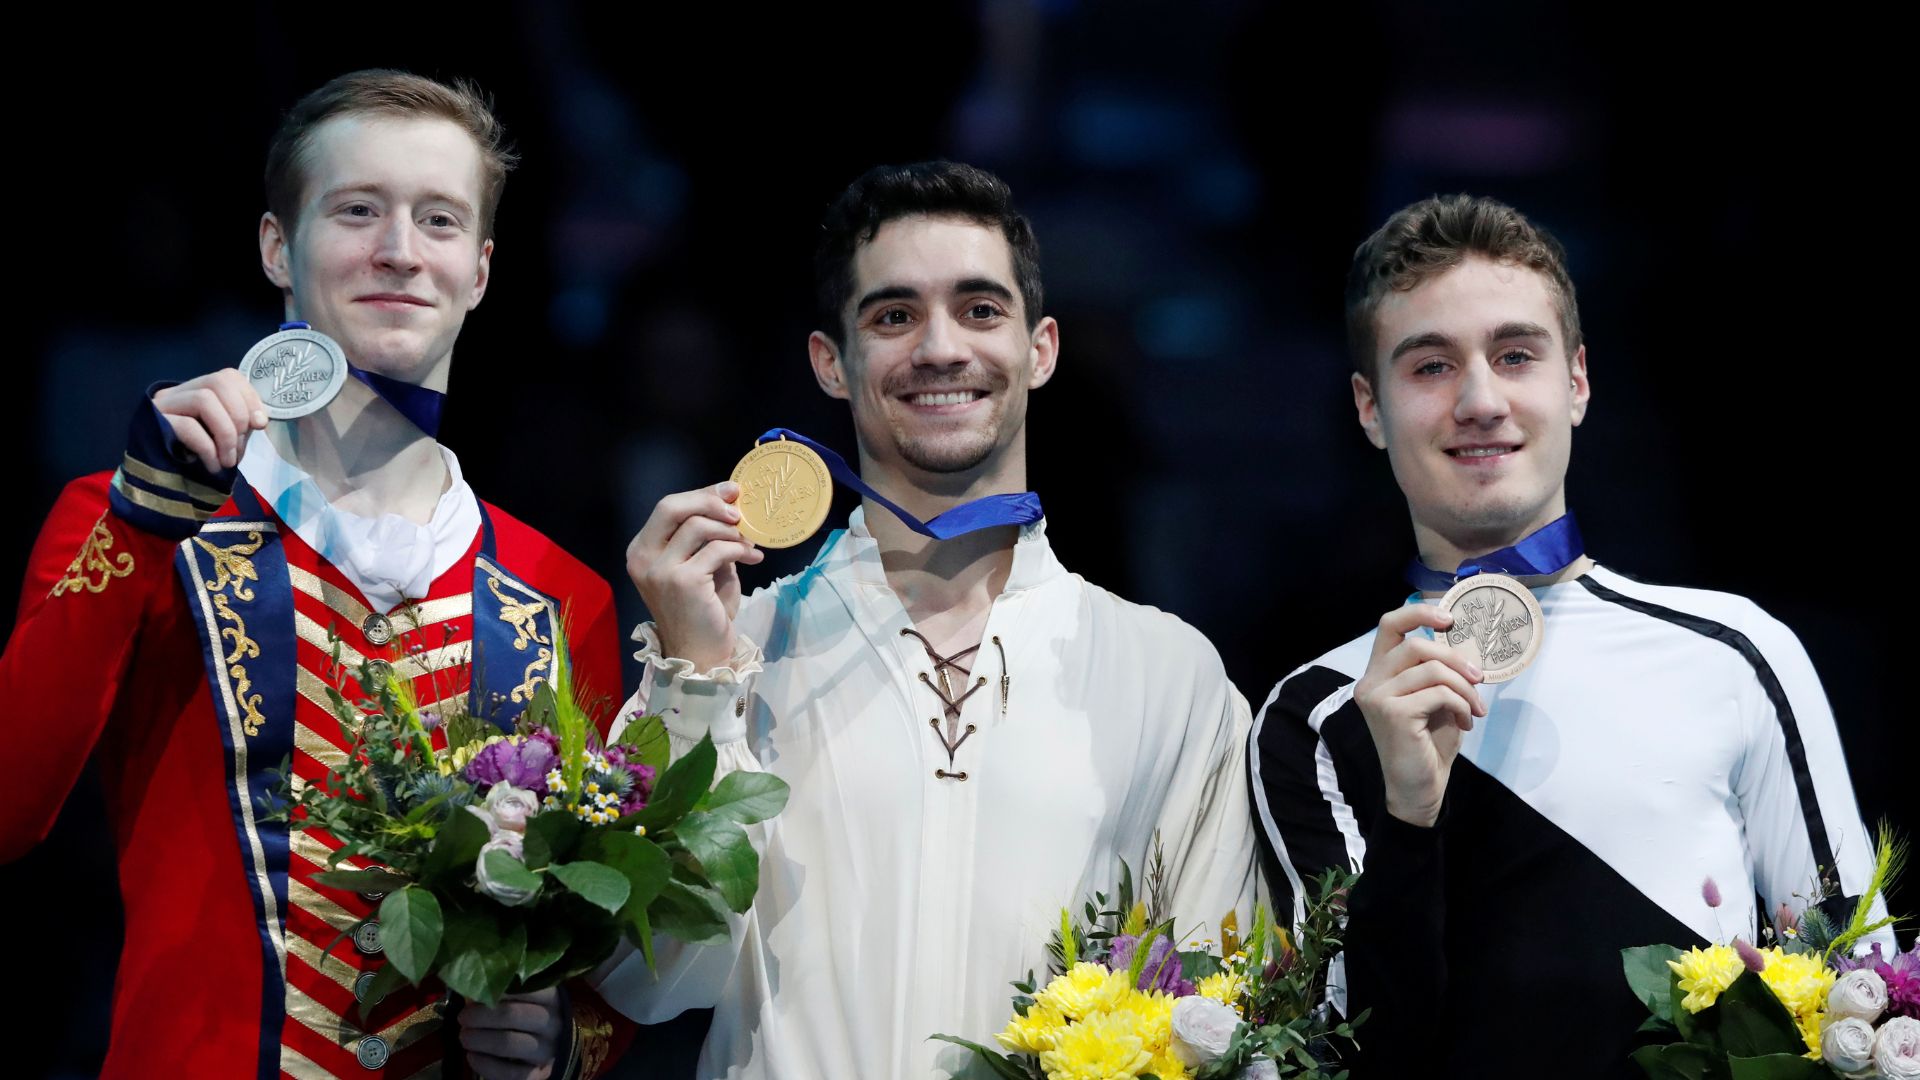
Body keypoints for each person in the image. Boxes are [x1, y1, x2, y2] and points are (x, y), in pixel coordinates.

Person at [1, 70, 627, 1078]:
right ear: (275, 249)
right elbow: (9, 809)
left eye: (437, 220)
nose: (398, 251)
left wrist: (564, 1042)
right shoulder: (130, 523)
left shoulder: (561, 598)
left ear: (479, 269)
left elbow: (598, 960)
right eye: (357, 211)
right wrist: (139, 528)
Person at [594, 161, 1257, 1077]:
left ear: (1042, 349)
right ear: (833, 362)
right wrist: (697, 683)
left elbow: (1226, 1018)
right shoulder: (735, 649)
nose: (941, 348)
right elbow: (649, 979)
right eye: (894, 315)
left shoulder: (1169, 673)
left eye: (981, 310)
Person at [1249, 194, 1888, 1077]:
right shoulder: (1318, 713)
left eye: (1516, 356)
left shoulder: (1738, 653)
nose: (1480, 400)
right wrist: (1411, 814)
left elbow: (1871, 1002)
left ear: (1577, 381)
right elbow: (1344, 1057)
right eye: (1430, 366)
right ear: (1369, 408)